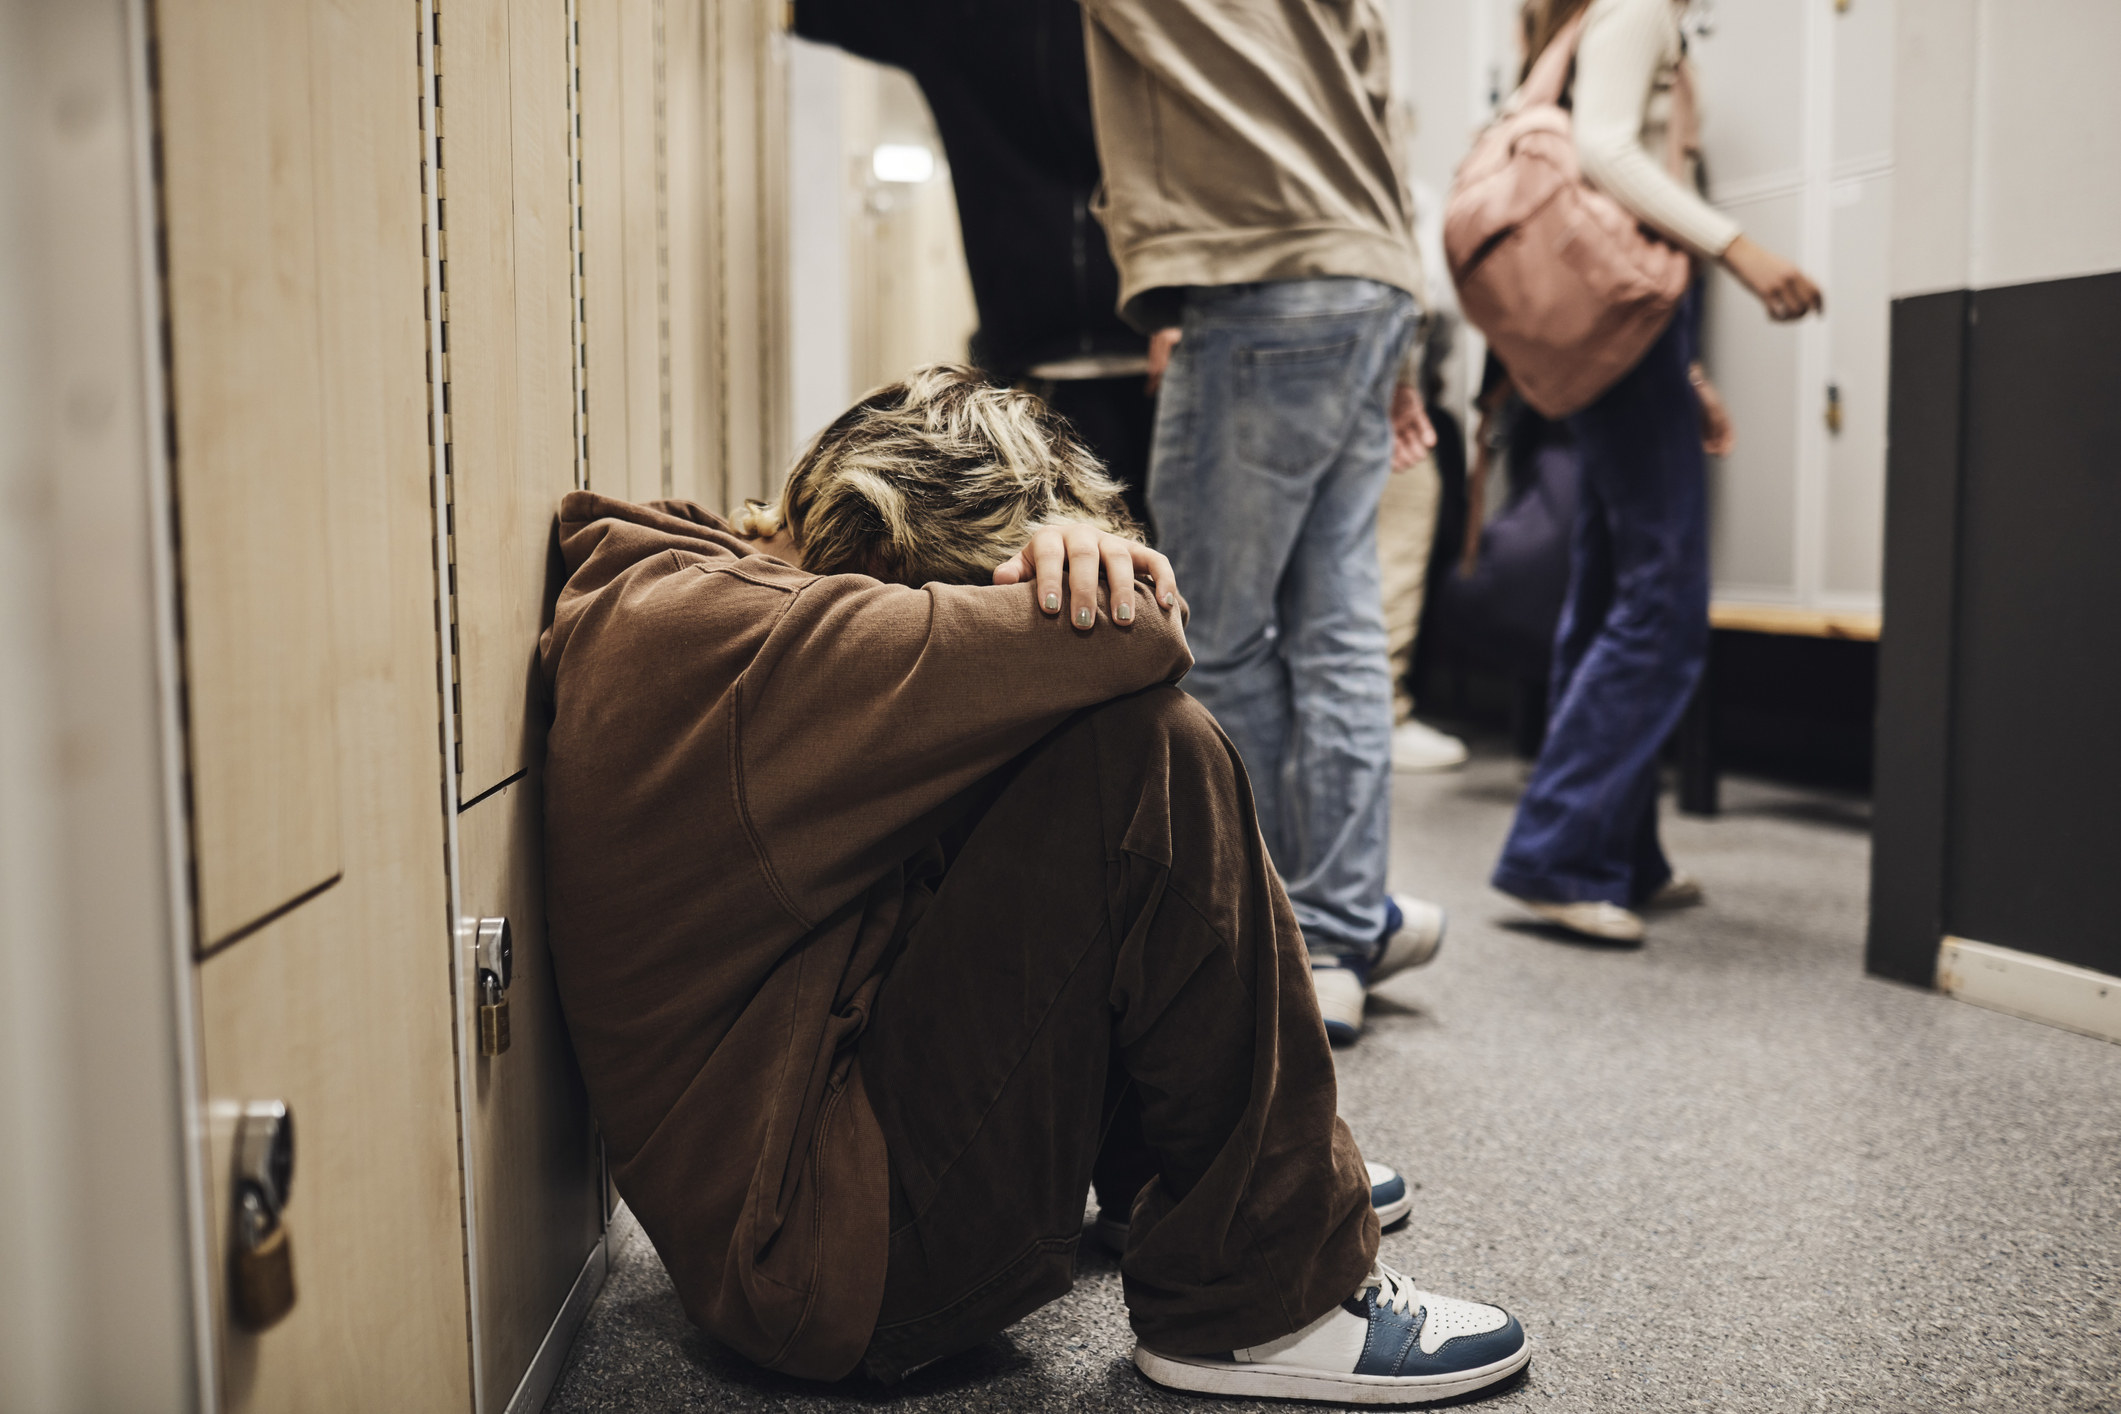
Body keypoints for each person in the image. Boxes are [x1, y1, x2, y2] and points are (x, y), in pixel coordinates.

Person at [539, 367, 1531, 1404]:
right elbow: (1139, 631)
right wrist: (1083, 580)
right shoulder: (746, 644)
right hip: (826, 1258)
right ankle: (1262, 1308)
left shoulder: (708, 600)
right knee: (1144, 753)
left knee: (1056, 758)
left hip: (816, 1170)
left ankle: (1199, 1176)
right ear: (886, 549)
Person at [1079, 0, 1447, 1046]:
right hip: (1372, 281)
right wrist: (1406, 350)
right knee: (1339, 632)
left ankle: (1289, 939)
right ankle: (1344, 924)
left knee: (1220, 637)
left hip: (1258, 281)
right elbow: (1383, 117)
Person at [1488, 0, 1821, 943]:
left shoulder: (1585, 21)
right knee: (1661, 604)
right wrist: (1738, 248)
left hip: (1621, 330)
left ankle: (1617, 852)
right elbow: (1606, 152)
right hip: (1632, 324)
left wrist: (1683, 371)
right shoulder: (1635, 8)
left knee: (1607, 594)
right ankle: (1558, 854)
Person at [791, 0, 1158, 527]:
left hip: (1158, 349)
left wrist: (1186, 301)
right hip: (1035, 367)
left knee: (1166, 558)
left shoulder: (1150, 21)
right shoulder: (956, 19)